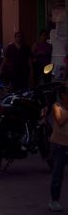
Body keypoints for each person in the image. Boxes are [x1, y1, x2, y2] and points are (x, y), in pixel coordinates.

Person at [49, 83, 68, 212]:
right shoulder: (57, 106)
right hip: (59, 145)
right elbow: (60, 121)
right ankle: (54, 200)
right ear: (62, 95)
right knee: (58, 174)